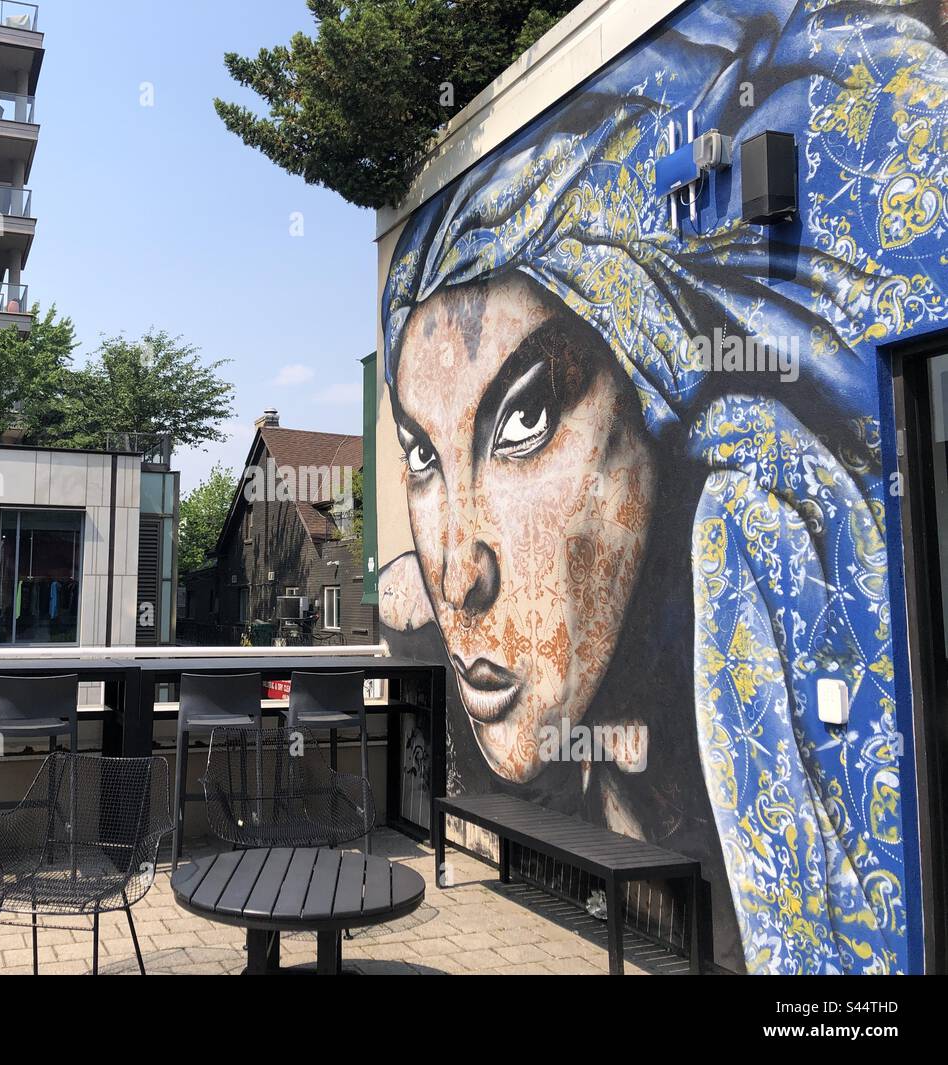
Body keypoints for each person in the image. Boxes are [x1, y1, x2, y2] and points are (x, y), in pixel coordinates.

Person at [378, 0, 943, 973]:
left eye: (521, 420)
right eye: (420, 456)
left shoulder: (760, 533)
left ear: (656, 400)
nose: (454, 571)